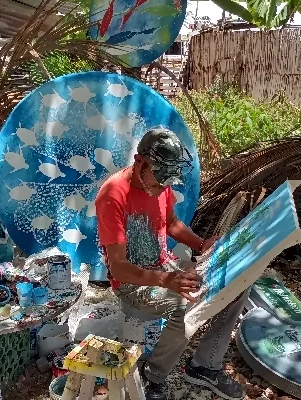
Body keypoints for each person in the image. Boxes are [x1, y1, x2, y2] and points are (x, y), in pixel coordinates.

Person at [95, 128, 247, 400]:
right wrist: (167, 281)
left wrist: (202, 245)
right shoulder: (113, 195)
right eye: (158, 181)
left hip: (166, 267)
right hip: (132, 282)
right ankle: (153, 375)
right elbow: (118, 268)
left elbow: (172, 224)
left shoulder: (159, 186)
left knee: (237, 284)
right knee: (187, 306)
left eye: (167, 182)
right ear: (140, 162)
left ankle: (204, 365)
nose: (162, 188)